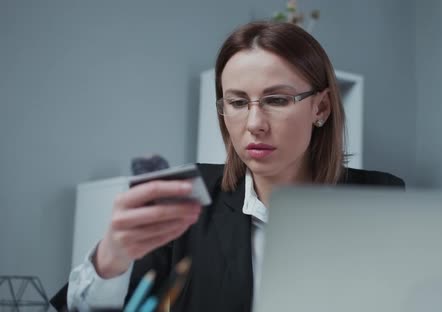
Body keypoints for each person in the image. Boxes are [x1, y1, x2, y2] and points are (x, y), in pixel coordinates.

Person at [51, 21, 404, 312]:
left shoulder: (382, 198)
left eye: (277, 100)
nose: (254, 123)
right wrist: (110, 261)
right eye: (237, 102)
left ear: (321, 108)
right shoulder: (186, 201)